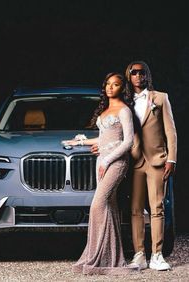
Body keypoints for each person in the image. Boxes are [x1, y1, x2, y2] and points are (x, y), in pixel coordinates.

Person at [63, 72, 137, 275]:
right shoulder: (105, 110)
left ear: (122, 88)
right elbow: (103, 138)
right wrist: (78, 142)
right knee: (110, 208)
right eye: (107, 84)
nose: (110, 88)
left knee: (98, 205)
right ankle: (112, 258)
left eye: (115, 84)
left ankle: (94, 256)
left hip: (115, 162)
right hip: (101, 161)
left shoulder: (124, 110)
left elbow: (128, 141)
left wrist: (107, 159)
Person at [124, 61, 177, 271]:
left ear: (147, 75)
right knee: (135, 209)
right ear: (129, 76)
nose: (138, 76)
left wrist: (171, 159)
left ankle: (157, 254)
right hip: (135, 161)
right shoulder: (125, 102)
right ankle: (139, 255)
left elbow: (170, 131)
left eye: (141, 72)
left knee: (157, 208)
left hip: (157, 160)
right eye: (133, 72)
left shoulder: (160, 98)